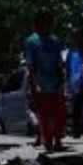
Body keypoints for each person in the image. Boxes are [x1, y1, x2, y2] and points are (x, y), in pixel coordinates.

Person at [23, 11, 67, 152]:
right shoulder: (32, 42)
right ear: (37, 24)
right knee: (44, 114)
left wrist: (61, 83)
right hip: (40, 83)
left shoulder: (55, 41)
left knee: (58, 114)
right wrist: (35, 84)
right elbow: (30, 66)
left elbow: (60, 64)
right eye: (44, 22)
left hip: (55, 82)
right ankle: (48, 143)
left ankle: (58, 140)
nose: (47, 25)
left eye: (50, 22)